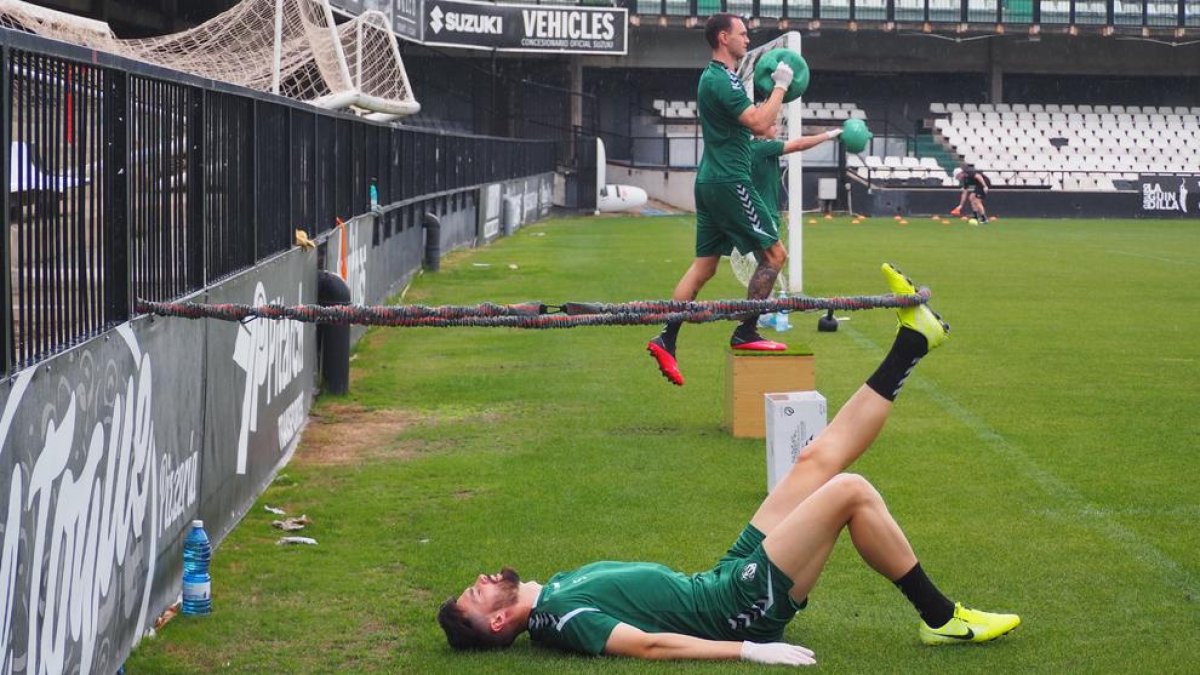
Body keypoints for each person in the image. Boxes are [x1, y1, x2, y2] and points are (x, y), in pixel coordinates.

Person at [438, 264, 1021, 665]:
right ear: (498, 623)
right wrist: (748, 650)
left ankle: (914, 342)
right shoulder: (563, 618)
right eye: (476, 593)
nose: (483, 579)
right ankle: (943, 618)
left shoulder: (551, 594)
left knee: (814, 461)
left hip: (719, 581)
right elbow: (648, 646)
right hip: (734, 609)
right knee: (850, 490)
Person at [645, 13, 798, 388]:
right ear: (723, 37)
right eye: (742, 34)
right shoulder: (723, 79)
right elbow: (760, 124)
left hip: (710, 181)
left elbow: (752, 121)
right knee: (775, 256)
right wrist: (781, 86)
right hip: (731, 182)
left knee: (704, 267)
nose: (748, 39)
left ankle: (666, 339)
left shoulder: (713, 78)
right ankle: (747, 331)